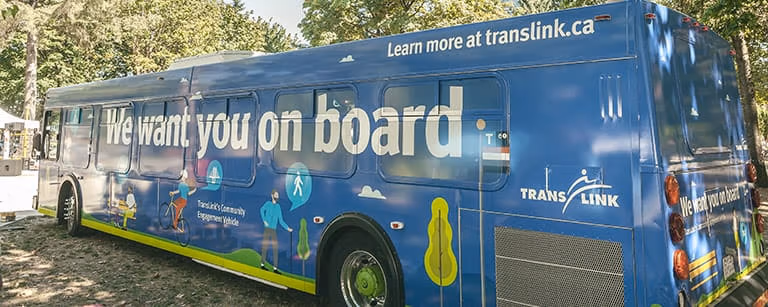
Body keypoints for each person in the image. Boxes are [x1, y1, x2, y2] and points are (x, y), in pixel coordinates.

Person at [259, 189, 293, 274]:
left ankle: (275, 268)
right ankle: (262, 264)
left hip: (273, 230)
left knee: (275, 249)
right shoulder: (268, 204)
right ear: (272, 195)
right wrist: (264, 221)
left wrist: (287, 228)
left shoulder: (278, 207)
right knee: (265, 247)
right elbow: (261, 210)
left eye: (278, 195)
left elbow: (281, 220)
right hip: (267, 229)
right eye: (276, 195)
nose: (277, 197)